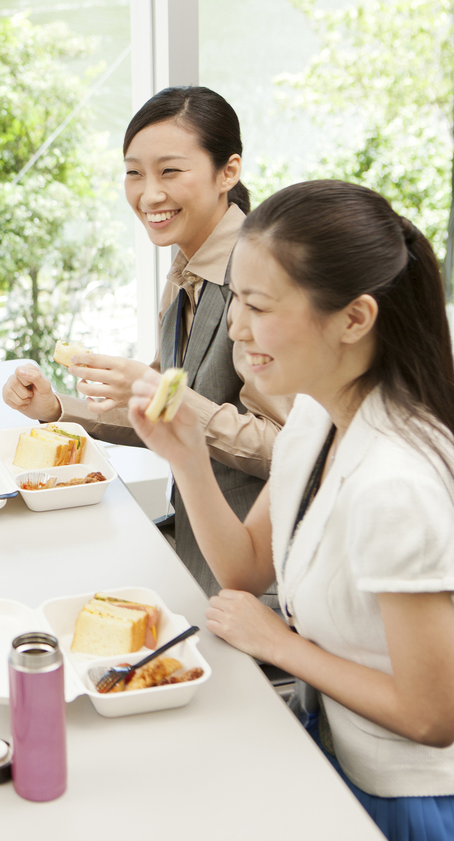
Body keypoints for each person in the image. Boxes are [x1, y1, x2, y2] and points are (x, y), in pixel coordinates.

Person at [128, 180, 454, 841]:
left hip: (406, 797)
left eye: (259, 305)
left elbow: (432, 715)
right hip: (331, 743)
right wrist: (187, 457)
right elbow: (245, 568)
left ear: (355, 319)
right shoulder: (316, 413)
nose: (238, 329)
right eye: (236, 298)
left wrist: (280, 644)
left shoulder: (396, 484)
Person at [1, 86, 291, 596]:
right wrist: (56, 408)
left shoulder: (259, 283)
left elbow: (284, 448)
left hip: (261, 568)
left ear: (229, 172)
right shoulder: (186, 269)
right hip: (198, 540)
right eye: (134, 172)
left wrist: (163, 393)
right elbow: (159, 416)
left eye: (170, 171)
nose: (148, 194)